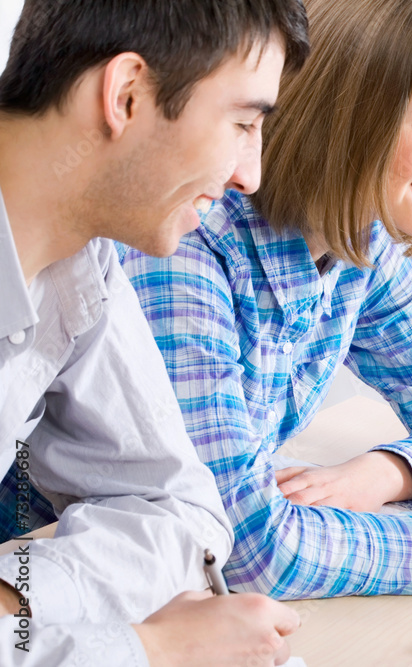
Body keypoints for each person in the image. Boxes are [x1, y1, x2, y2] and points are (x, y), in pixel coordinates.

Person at [121, 0, 412, 600]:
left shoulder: (361, 242)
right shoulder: (186, 246)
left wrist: (382, 474)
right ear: (337, 120)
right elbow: (240, 550)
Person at [0, 0, 310, 665]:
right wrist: (150, 649)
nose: (248, 174)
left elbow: (182, 510)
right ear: (128, 94)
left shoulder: (83, 264)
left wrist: (15, 597)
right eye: (243, 123)